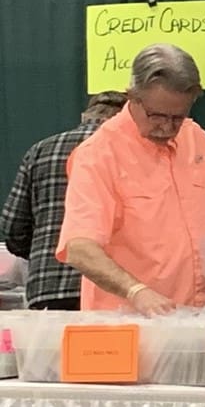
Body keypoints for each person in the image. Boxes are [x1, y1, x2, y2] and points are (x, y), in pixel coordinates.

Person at [57, 45, 205, 315]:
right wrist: (136, 291)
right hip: (128, 328)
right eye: (157, 115)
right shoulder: (97, 154)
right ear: (132, 97)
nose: (167, 127)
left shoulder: (196, 137)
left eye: (178, 117)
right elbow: (79, 248)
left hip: (198, 322)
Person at [1, 92, 127, 310]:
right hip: (114, 287)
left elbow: (13, 227)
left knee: (54, 345)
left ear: (84, 116)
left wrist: (45, 252)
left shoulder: (40, 150)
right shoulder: (130, 153)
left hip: (48, 286)